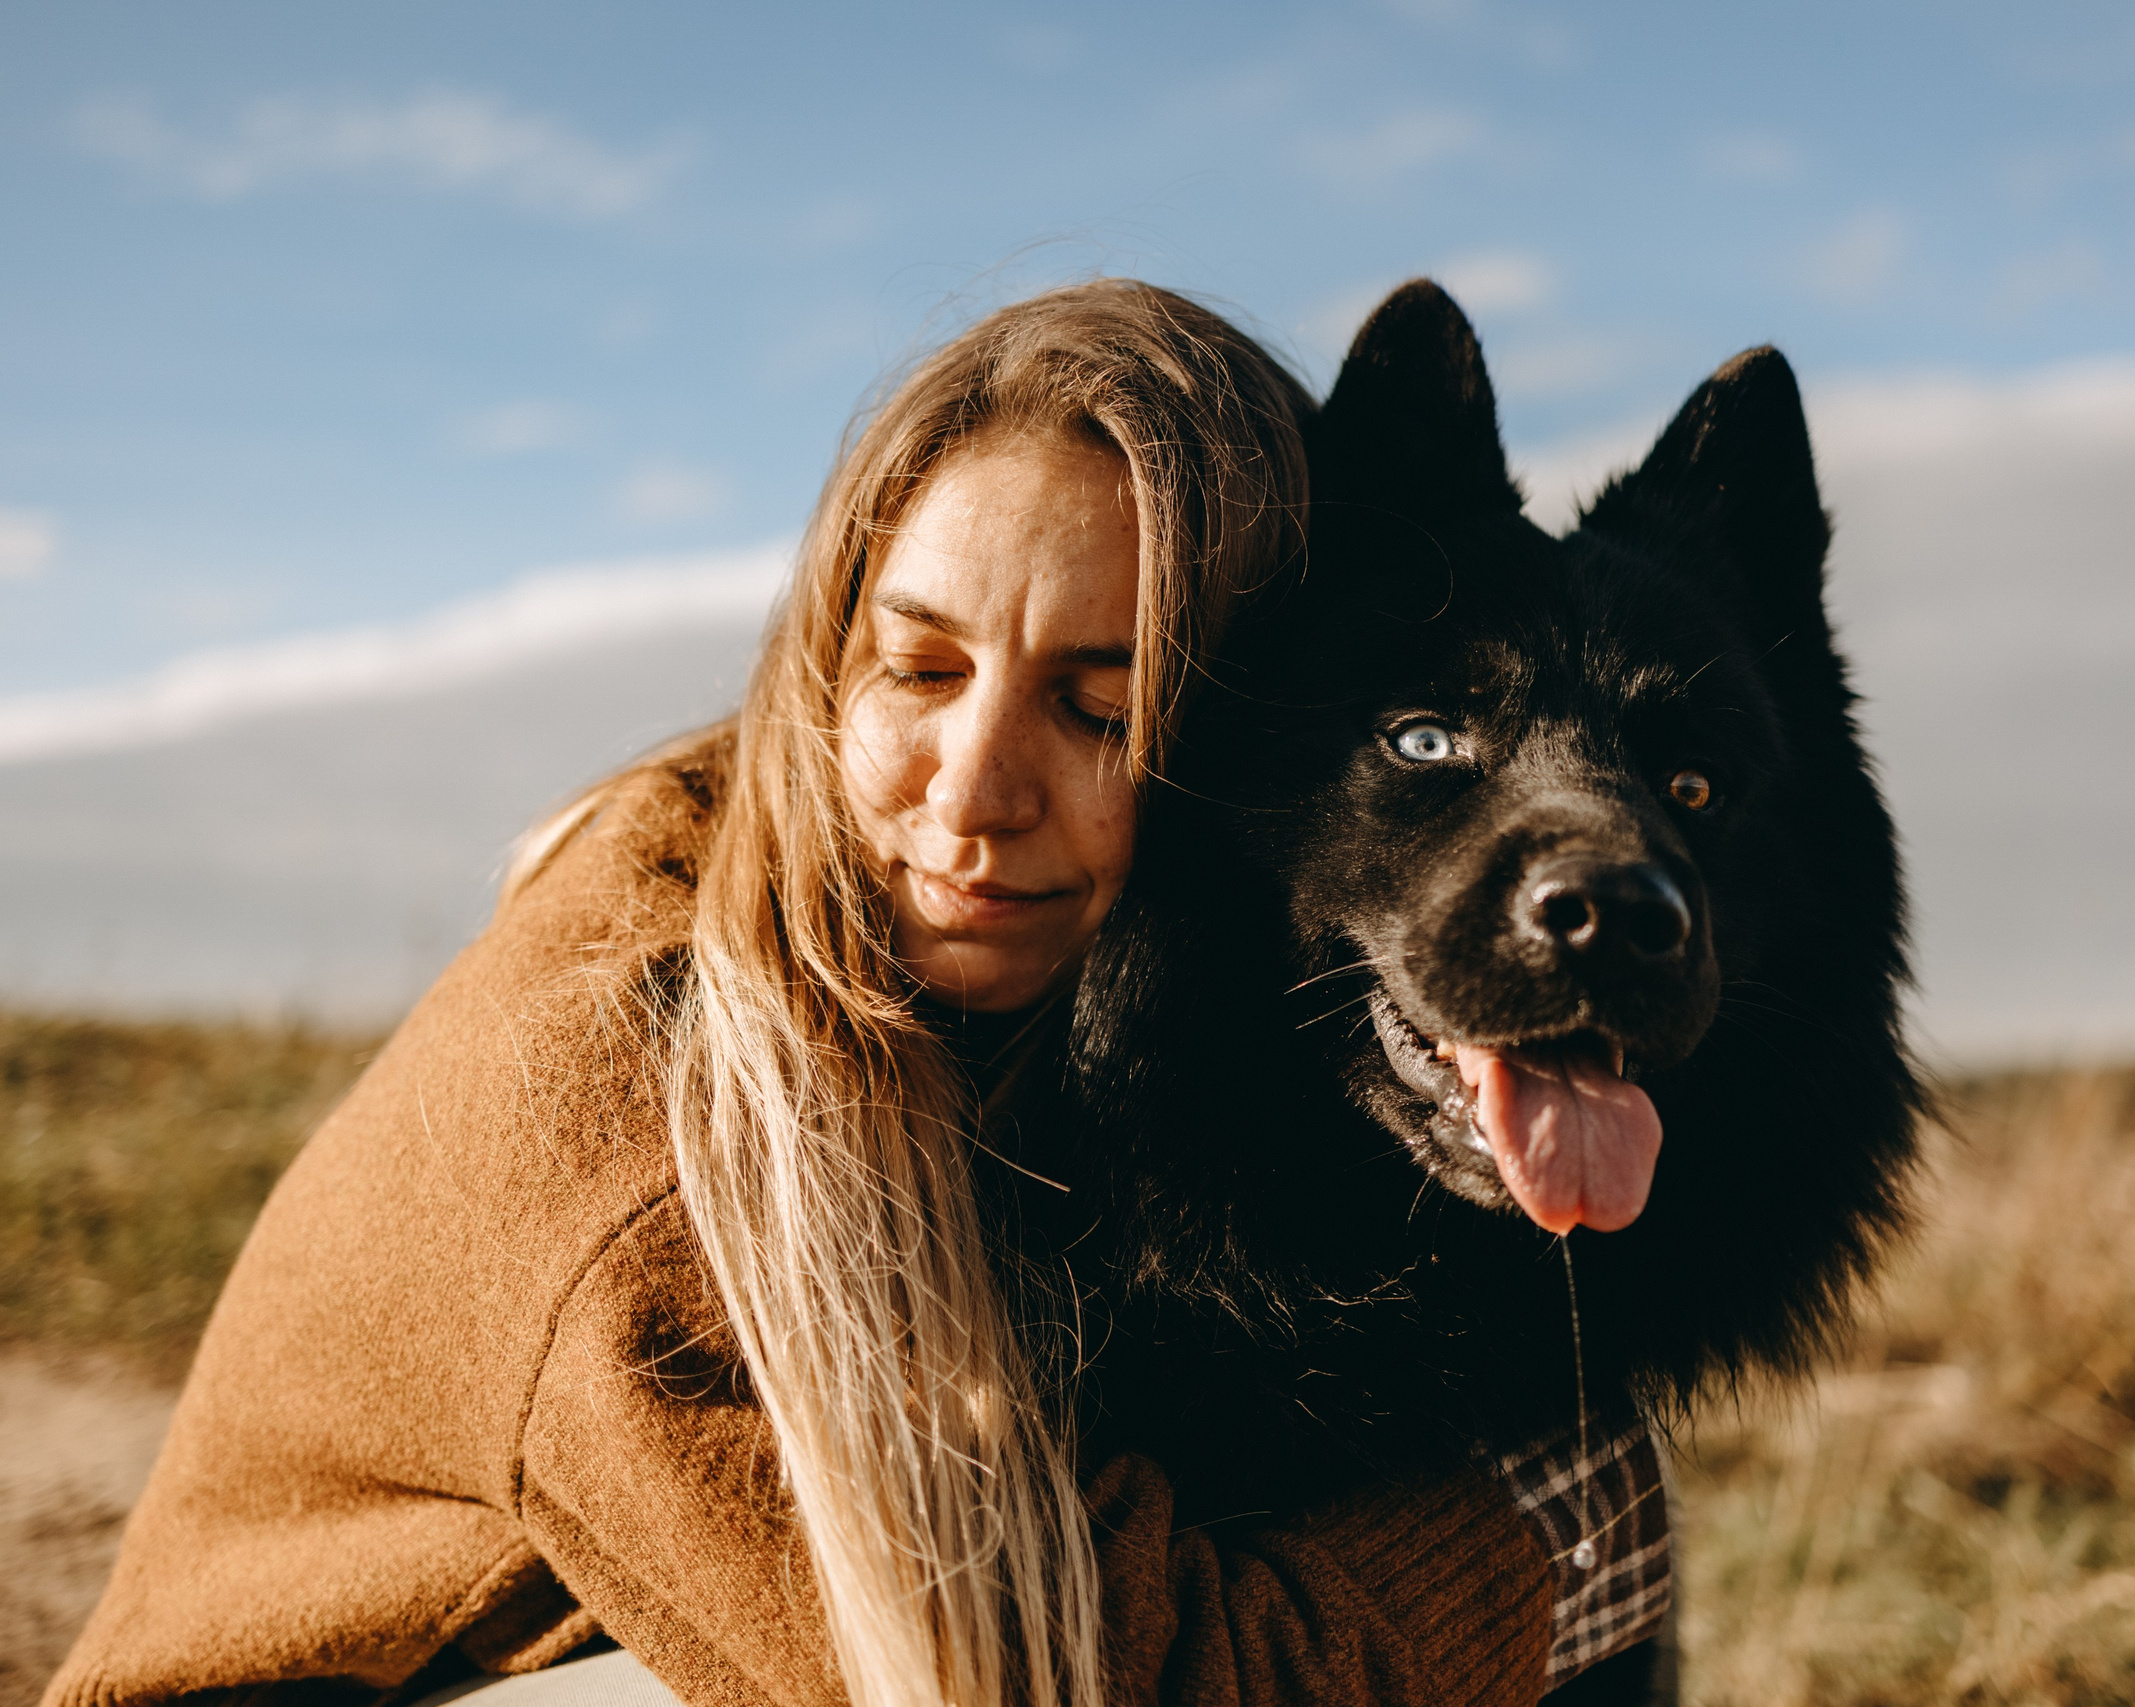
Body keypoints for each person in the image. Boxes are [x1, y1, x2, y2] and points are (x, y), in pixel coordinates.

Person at [46, 281, 1664, 1707]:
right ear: (826, 654)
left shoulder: (1019, 1012)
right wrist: (1543, 1523)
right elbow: (1076, 1686)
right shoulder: (641, 1151)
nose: (974, 798)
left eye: (1105, 707)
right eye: (922, 671)